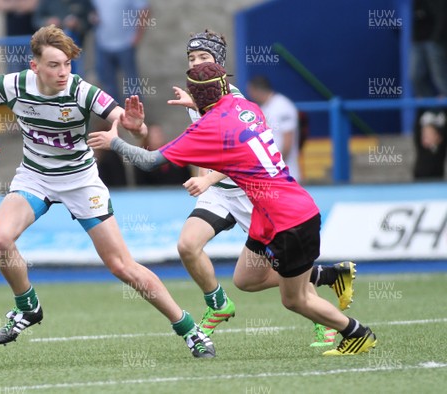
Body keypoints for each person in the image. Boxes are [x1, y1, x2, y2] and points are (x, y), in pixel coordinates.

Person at [0, 25, 215, 358]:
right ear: (35, 67)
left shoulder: (81, 92)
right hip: (35, 177)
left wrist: (137, 127)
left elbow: (133, 127)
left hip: (81, 181)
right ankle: (27, 307)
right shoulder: (13, 85)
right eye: (53, 65)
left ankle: (189, 329)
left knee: (121, 266)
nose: (63, 72)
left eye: (67, 64)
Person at [88, 62, 378, 356]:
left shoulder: (208, 128)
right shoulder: (247, 106)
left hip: (286, 219)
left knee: (295, 300)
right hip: (274, 212)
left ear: (197, 95)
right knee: (246, 279)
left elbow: (150, 161)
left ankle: (356, 333)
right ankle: (328, 276)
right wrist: (201, 103)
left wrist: (114, 143)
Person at [165, 29, 355, 347]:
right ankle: (219, 304)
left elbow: (235, 154)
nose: (196, 64)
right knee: (187, 246)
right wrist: (205, 180)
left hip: (252, 194)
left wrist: (206, 178)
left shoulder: (235, 101)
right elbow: (204, 144)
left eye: (204, 58)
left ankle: (326, 319)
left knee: (278, 268)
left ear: (220, 65)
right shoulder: (196, 94)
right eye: (191, 58)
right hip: (219, 194)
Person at [91, 0, 150, 103]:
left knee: (131, 80)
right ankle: (113, 113)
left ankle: (136, 112)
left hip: (125, 44)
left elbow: (144, 10)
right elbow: (91, 9)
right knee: (108, 81)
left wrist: (138, 36)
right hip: (103, 44)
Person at [247, 75, 301, 181]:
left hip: (286, 173)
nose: (249, 95)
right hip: (271, 173)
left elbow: (288, 141)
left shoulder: (282, 106)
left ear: (256, 90)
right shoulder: (262, 108)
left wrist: (278, 167)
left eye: (250, 91)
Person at [33, 0, 96, 74]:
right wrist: (47, 22)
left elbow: (91, 21)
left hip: (79, 47)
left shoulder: (83, 2)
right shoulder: (47, 2)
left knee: (78, 75)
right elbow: (36, 20)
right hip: (51, 46)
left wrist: (78, 24)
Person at [409, 0, 447, 98]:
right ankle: (434, 110)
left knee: (439, 78)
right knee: (415, 76)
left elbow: (442, 16)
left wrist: (435, 38)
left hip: (434, 41)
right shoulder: (409, 3)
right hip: (417, 42)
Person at [0, 0, 39, 72]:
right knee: (13, 72)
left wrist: (11, 4)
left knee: (32, 70)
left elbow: (33, 5)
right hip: (12, 40)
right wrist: (21, 5)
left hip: (31, 38)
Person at [413, 108, 447, 179]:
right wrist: (420, 107)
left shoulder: (441, 146)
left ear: (438, 137)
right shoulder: (421, 146)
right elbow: (417, 128)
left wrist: (444, 107)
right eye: (425, 136)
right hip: (420, 177)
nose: (427, 137)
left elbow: (444, 131)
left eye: (431, 134)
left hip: (438, 178)